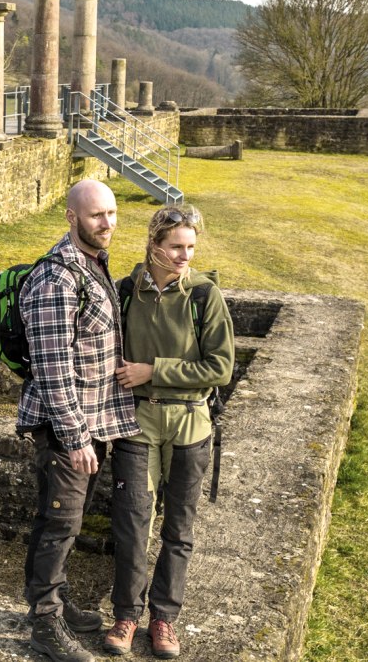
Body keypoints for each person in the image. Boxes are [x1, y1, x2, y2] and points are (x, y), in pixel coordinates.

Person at [103, 206, 234, 659]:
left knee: (178, 527)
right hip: (136, 424)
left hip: (190, 424)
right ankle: (126, 614)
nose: (185, 255)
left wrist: (151, 370)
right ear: (154, 244)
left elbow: (220, 367)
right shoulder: (124, 291)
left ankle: (164, 619)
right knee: (133, 523)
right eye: (177, 246)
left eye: (191, 247)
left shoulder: (204, 295)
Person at [18, 179, 141, 662]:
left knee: (62, 521)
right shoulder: (57, 278)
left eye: (111, 213)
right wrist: (74, 437)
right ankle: (45, 625)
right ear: (71, 217)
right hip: (66, 430)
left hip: (92, 423)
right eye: (96, 216)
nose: (107, 224)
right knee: (59, 523)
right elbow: (52, 367)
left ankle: (57, 601)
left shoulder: (92, 264)